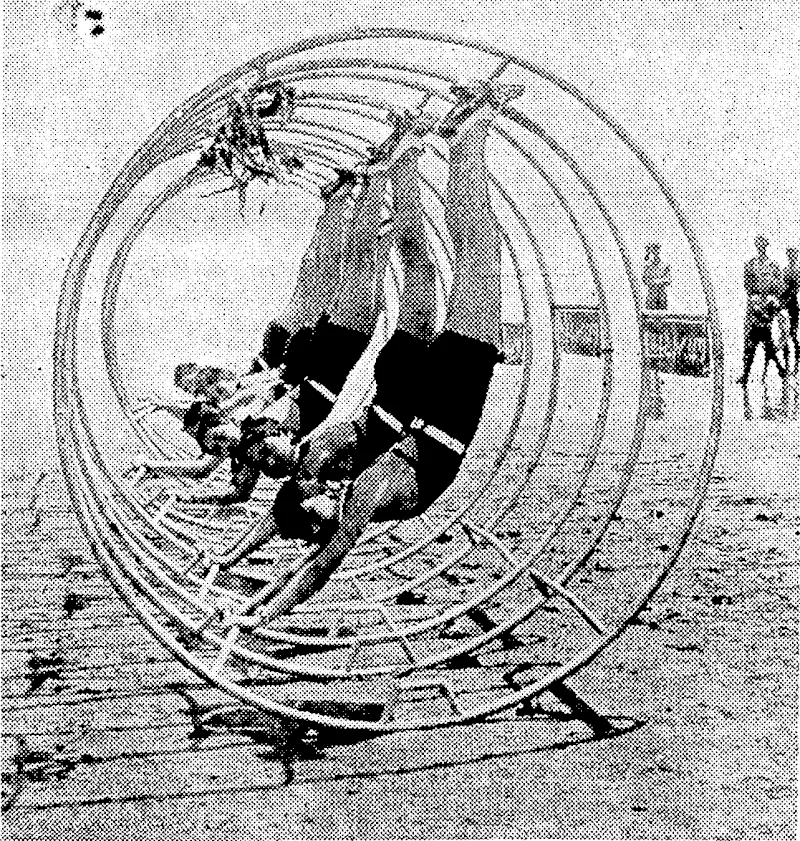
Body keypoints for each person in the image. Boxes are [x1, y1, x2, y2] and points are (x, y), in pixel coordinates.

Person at [209, 81, 523, 621]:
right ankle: (463, 132)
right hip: (455, 360)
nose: (273, 450)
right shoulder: (366, 495)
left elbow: (280, 507)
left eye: (267, 453)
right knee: (462, 233)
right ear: (324, 511)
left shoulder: (322, 456)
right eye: (274, 460)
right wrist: (262, 612)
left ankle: (381, 168)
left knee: (394, 237)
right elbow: (324, 559)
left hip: (407, 361)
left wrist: (226, 570)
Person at [738, 236, 785, 385]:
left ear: (766, 246)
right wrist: (755, 300)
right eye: (758, 244)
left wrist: (772, 302)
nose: (760, 247)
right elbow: (748, 286)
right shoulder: (750, 264)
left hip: (767, 305)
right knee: (754, 341)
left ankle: (747, 374)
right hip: (754, 306)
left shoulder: (773, 265)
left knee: (762, 338)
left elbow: (778, 286)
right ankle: (778, 368)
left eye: (762, 244)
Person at [781, 246, 799, 371]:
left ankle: (797, 360)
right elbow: (783, 287)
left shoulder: (797, 270)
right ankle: (786, 362)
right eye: (789, 255)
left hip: (792, 305)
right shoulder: (786, 270)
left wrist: (786, 299)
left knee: (792, 334)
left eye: (793, 255)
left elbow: (795, 289)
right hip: (785, 304)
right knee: (784, 334)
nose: (790, 257)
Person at [642, 243, 670, 310]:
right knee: (650, 312)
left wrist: (659, 282)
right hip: (652, 293)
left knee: (662, 311)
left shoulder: (665, 266)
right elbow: (645, 279)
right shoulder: (648, 267)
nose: (655, 254)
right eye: (653, 251)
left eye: (657, 250)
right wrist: (654, 283)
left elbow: (668, 279)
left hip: (662, 293)